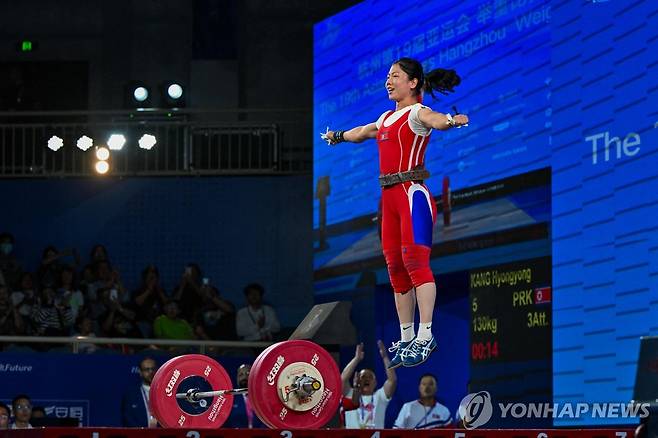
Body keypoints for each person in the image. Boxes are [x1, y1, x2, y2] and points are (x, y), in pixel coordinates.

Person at [322, 57, 468, 367]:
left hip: (412, 196)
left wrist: (452, 121)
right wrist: (337, 136)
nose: (388, 81)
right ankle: (406, 339)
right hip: (388, 200)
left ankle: (426, 335)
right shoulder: (387, 117)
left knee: (416, 264)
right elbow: (362, 131)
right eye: (388, 76)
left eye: (395, 76)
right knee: (396, 271)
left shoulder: (417, 113)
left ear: (413, 83)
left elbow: (437, 120)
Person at [341, 341, 397, 429]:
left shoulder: (380, 396)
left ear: (375, 383)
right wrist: (356, 359)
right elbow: (343, 379)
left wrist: (385, 357)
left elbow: (392, 380)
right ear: (358, 381)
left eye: (370, 377)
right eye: (363, 377)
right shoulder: (351, 394)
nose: (366, 379)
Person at [224, 364, 266, 428]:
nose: (244, 377)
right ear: (237, 379)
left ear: (254, 376)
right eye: (241, 375)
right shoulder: (230, 399)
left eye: (247, 374)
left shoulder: (263, 397)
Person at [121, 357, 158, 428]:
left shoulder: (164, 392)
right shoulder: (131, 395)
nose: (151, 372)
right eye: (147, 369)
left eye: (153, 369)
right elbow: (127, 418)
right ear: (140, 372)